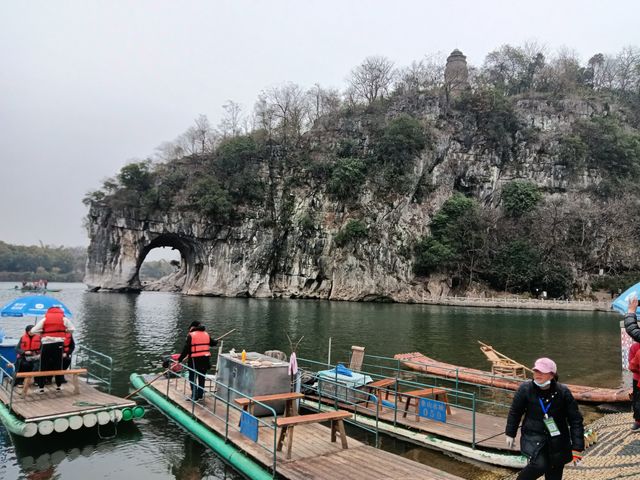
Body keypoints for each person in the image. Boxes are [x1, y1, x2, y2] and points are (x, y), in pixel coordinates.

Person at [505, 357, 584, 479]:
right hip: (534, 436)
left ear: (552, 375)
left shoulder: (563, 392)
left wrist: (577, 447)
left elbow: (575, 420)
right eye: (536, 371)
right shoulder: (525, 389)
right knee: (539, 465)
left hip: (558, 439)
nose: (537, 374)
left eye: (542, 371)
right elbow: (515, 412)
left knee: (555, 470)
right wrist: (510, 433)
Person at [31, 306, 75, 391]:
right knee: (58, 364)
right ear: (60, 312)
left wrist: (42, 333)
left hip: (46, 344)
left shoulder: (45, 319)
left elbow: (33, 331)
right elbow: (72, 329)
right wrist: (64, 332)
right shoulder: (64, 319)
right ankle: (59, 386)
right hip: (59, 344)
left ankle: (41, 387)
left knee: (43, 365)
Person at [177, 321, 217, 401]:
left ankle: (194, 396)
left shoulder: (191, 335)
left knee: (192, 377)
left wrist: (180, 359)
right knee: (201, 377)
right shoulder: (206, 334)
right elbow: (213, 343)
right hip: (205, 359)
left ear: (192, 327)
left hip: (194, 360)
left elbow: (186, 349)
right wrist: (216, 341)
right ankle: (200, 395)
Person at [628, 340, 640, 431]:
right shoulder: (634, 347)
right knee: (637, 401)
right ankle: (638, 421)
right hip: (638, 378)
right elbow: (631, 366)